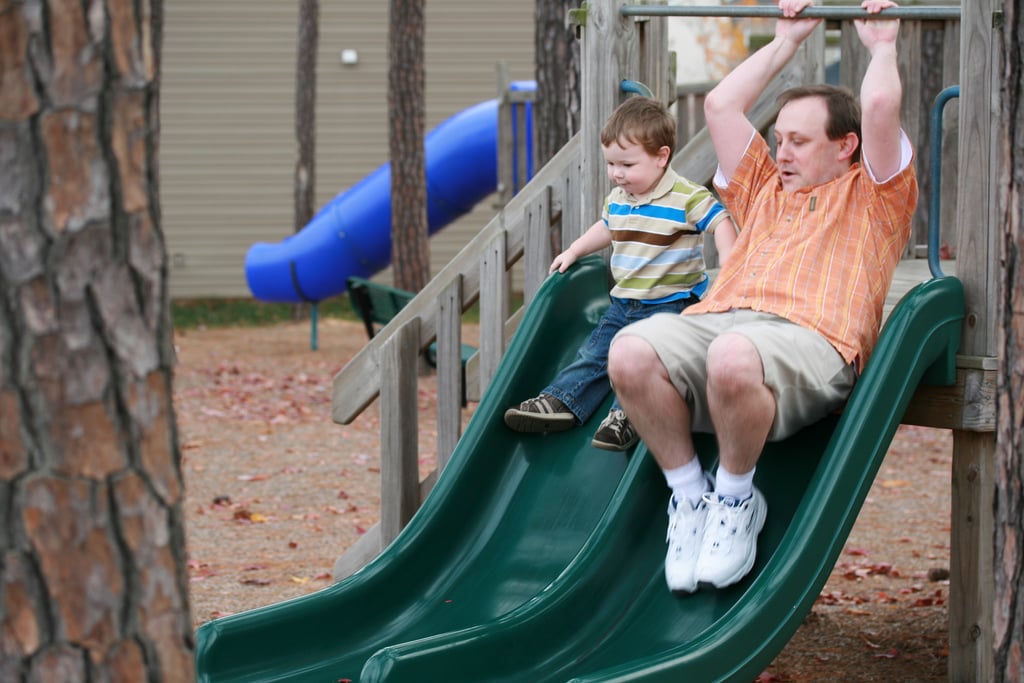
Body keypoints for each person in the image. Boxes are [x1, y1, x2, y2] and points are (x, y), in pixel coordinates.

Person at [607, 0, 918, 593]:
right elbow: (720, 105)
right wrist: (785, 42)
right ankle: (691, 498)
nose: (783, 153)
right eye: (780, 139)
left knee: (732, 355)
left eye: (799, 142)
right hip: (724, 319)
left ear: (847, 146)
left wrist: (882, 46)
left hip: (810, 338)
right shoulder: (763, 188)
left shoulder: (876, 198)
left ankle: (735, 499)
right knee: (628, 351)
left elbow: (880, 104)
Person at [504, 95, 737, 451]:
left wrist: (728, 257)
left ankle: (626, 414)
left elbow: (719, 220)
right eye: (611, 163)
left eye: (626, 164)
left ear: (661, 157)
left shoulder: (685, 197)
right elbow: (607, 227)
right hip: (624, 302)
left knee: (644, 361)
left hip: (671, 304)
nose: (617, 173)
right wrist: (574, 250)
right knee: (596, 353)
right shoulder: (618, 198)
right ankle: (563, 400)